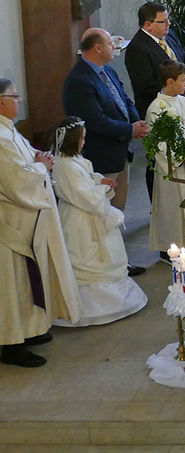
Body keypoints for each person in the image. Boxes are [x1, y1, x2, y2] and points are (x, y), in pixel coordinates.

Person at [0, 79, 81, 367]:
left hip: (27, 221)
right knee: (14, 285)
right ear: (0, 101)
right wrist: (41, 166)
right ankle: (10, 344)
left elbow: (24, 162)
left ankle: (29, 330)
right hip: (12, 225)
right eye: (14, 96)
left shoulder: (9, 132)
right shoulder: (0, 137)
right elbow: (14, 181)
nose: (19, 100)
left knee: (26, 282)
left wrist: (36, 158)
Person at [51, 117, 147, 326]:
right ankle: (90, 306)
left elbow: (87, 176)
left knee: (108, 255)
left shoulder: (74, 159)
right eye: (82, 139)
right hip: (79, 220)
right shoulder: (64, 166)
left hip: (88, 214)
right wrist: (102, 189)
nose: (84, 142)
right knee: (88, 257)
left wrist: (99, 180)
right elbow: (84, 196)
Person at [62, 28, 148, 214]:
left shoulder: (106, 69)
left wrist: (136, 122)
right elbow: (95, 121)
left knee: (119, 206)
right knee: (105, 210)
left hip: (121, 151)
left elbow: (124, 98)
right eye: (110, 44)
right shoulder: (79, 81)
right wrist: (129, 130)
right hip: (102, 156)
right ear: (97, 49)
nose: (114, 46)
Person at [125, 1, 185, 200]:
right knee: (158, 161)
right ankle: (158, 204)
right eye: (163, 22)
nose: (168, 25)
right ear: (147, 25)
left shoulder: (169, 35)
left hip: (181, 103)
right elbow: (144, 84)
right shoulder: (137, 49)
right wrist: (175, 87)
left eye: (168, 20)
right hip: (157, 109)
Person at [145, 61, 185, 253]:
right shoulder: (156, 109)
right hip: (173, 170)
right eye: (182, 80)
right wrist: (181, 157)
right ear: (170, 81)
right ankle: (171, 248)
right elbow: (158, 144)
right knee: (173, 208)